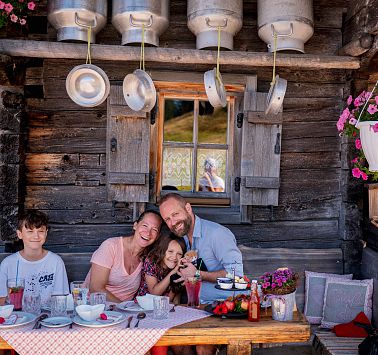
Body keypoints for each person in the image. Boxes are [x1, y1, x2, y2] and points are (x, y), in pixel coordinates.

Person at [159, 193, 244, 355]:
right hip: (198, 309)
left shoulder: (217, 234)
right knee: (177, 343)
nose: (172, 222)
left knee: (203, 347)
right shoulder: (182, 239)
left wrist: (199, 274)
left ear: (188, 208)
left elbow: (237, 276)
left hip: (227, 307)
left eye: (175, 214)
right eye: (167, 219)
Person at [86, 210, 163, 303]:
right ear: (135, 225)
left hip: (126, 314)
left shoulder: (148, 259)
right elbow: (96, 288)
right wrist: (124, 307)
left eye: (154, 230)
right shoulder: (111, 246)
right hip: (95, 309)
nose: (148, 233)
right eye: (145, 226)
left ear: (157, 236)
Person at [0, 210, 69, 309]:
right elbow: (1, 302)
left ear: (46, 233)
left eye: (40, 231)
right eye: (30, 231)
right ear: (20, 234)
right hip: (18, 317)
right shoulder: (8, 264)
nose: (36, 236)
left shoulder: (56, 262)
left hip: (48, 317)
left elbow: (60, 299)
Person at [136, 227, 186, 304]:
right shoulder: (151, 262)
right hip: (144, 307)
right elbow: (154, 293)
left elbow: (175, 298)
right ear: (163, 250)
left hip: (164, 307)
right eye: (170, 251)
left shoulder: (179, 268)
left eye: (179, 254)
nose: (174, 257)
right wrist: (174, 271)